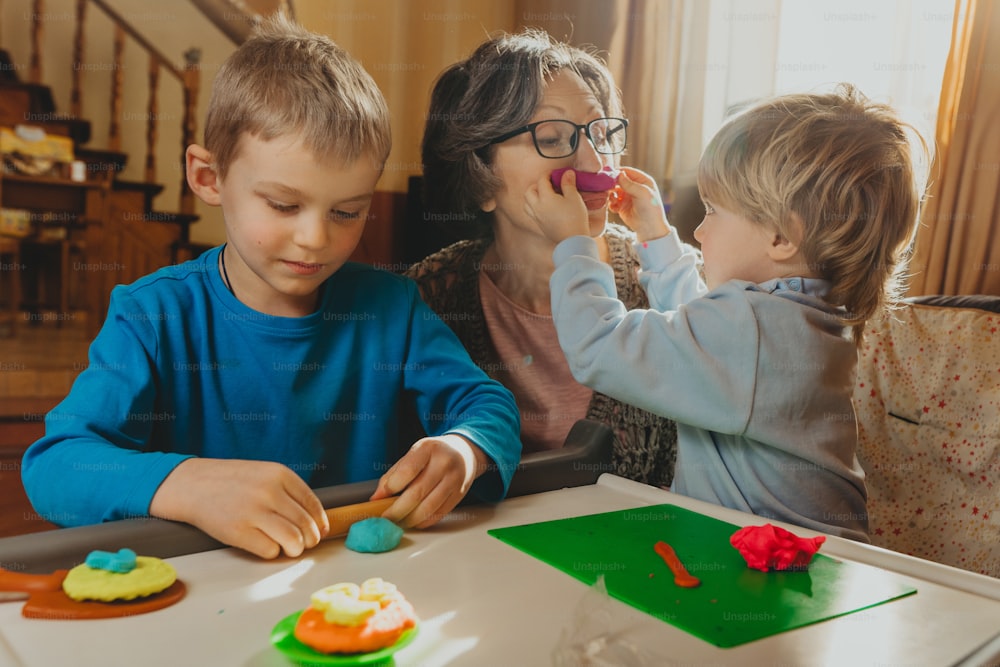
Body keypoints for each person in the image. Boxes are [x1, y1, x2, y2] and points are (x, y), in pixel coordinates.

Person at [21, 15, 521, 559]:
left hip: (350, 584)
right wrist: (188, 484)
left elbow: (486, 403)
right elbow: (55, 467)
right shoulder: (152, 315)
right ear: (208, 177)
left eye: (348, 211)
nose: (315, 238)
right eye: (283, 205)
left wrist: (465, 448)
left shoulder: (392, 307)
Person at [524, 84, 927, 542]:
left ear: (781, 237)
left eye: (713, 211)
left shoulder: (754, 327)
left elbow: (598, 347)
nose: (698, 229)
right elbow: (698, 332)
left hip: (789, 564)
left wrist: (573, 246)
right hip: (798, 554)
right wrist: (655, 237)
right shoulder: (789, 316)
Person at [405, 30, 677, 487]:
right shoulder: (426, 296)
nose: (594, 163)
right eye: (552, 137)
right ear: (481, 179)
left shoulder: (667, 280)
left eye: (601, 131)